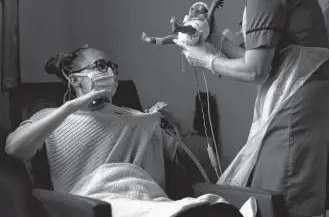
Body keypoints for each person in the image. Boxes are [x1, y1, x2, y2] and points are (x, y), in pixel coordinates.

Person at [173, 0, 329, 217]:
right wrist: (214, 41)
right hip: (306, 101)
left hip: (295, 106)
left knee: (284, 195)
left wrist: (205, 60)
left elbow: (256, 70)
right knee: (290, 190)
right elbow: (268, 58)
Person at [5, 45, 244, 217]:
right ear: (76, 81)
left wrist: (175, 125)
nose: (109, 72)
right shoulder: (51, 120)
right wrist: (71, 107)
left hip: (145, 197)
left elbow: (189, 159)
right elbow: (15, 149)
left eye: (111, 66)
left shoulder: (135, 119)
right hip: (94, 202)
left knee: (210, 207)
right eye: (100, 66)